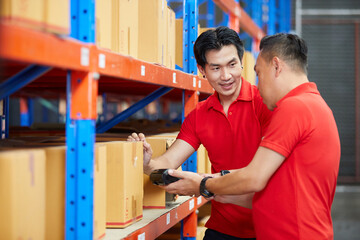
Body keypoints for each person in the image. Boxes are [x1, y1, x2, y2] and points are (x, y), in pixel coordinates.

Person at [164, 33, 341, 240]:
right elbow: (275, 192)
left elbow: (254, 178)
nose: (259, 83)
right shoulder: (313, 105)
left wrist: (203, 185)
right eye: (216, 68)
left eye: (259, 73)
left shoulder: (294, 108)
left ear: (276, 66)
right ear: (203, 70)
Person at [128, 26, 272, 239]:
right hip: (223, 229)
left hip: (267, 227)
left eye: (232, 65)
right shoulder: (199, 115)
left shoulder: (264, 104)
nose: (226, 76)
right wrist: (148, 163)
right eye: (215, 68)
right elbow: (169, 161)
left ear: (242, 62)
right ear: (201, 70)